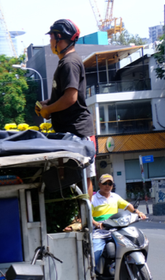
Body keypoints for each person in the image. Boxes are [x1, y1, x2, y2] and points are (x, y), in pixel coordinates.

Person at [35, 19, 96, 196]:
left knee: (82, 176)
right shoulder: (66, 62)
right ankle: (82, 216)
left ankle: (85, 218)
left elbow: (70, 98)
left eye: (51, 37)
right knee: (73, 176)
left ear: (59, 38)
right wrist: (47, 103)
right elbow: (64, 96)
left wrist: (48, 110)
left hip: (76, 130)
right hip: (70, 129)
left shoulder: (69, 63)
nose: (50, 42)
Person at [91, 174, 147, 268]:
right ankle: (93, 274)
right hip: (100, 232)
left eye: (110, 183)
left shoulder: (115, 197)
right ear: (99, 184)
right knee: (96, 252)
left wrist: (138, 213)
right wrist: (96, 224)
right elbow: (88, 215)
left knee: (131, 243)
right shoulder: (93, 199)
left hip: (116, 230)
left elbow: (128, 206)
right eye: (105, 183)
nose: (108, 186)